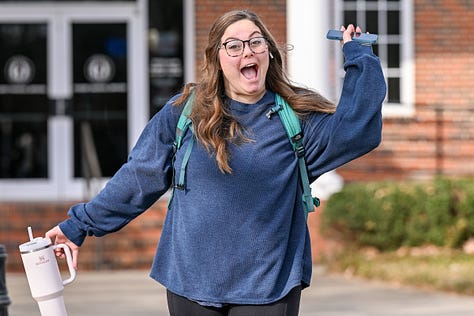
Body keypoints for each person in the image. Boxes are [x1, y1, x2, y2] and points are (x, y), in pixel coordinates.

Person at [46, 9, 386, 316]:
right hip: (190, 284)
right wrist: (80, 225)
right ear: (217, 60)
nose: (247, 51)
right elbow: (139, 177)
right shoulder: (184, 114)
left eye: (255, 42)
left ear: (268, 51)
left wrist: (360, 58)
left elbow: (358, 130)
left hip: (268, 288)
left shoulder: (295, 121)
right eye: (233, 46)